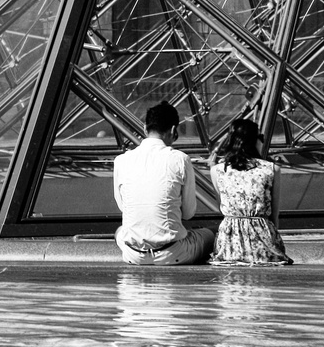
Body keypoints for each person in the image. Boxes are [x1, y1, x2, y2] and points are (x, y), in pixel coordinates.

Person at [113, 101, 215, 265]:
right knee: (209, 235)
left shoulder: (121, 160)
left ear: (145, 129)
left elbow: (122, 207)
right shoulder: (181, 159)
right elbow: (188, 214)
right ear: (174, 130)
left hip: (134, 254)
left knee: (119, 231)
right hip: (172, 253)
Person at [208, 118, 293, 266]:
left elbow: (223, 208)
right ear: (254, 141)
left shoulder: (217, 171)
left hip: (230, 245)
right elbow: (274, 215)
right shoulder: (271, 169)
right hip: (263, 243)